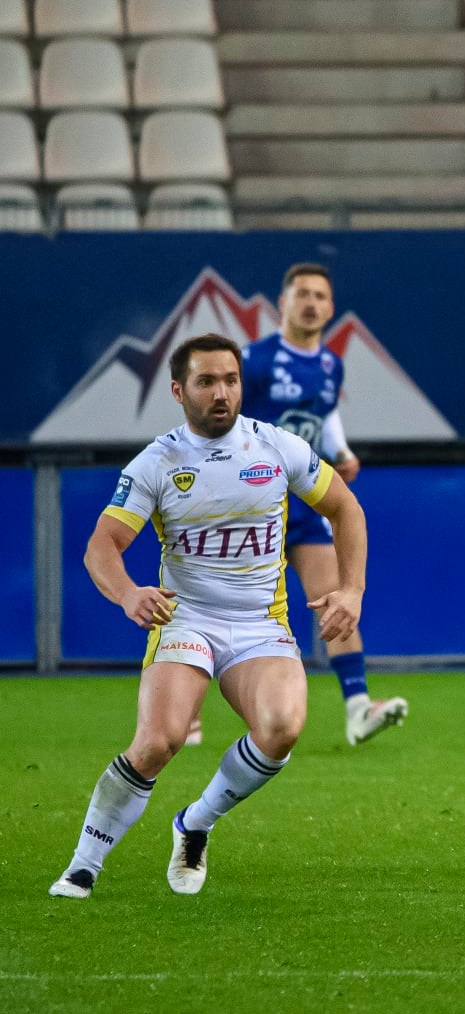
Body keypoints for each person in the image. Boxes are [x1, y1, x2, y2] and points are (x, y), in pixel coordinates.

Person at [49, 334, 369, 899]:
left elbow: (345, 508)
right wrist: (126, 594)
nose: (221, 393)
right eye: (205, 382)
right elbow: (102, 546)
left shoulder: (277, 447)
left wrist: (352, 590)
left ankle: (194, 823)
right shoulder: (158, 462)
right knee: (158, 742)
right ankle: (83, 864)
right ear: (177, 390)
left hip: (258, 624)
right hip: (186, 619)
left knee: (282, 728)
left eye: (230, 380)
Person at [232, 262, 408, 746]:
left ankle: (357, 708)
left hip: (305, 505)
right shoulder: (255, 360)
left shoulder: (332, 364)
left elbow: (324, 415)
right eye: (303, 294)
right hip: (249, 506)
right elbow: (222, 419)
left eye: (321, 296)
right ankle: (184, 708)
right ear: (282, 302)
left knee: (337, 595)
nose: (312, 303)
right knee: (222, 606)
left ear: (330, 309)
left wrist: (342, 452)